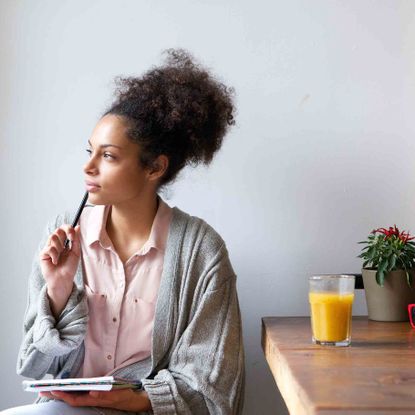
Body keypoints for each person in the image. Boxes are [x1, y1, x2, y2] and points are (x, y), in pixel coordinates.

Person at [3, 48, 245, 415]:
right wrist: (57, 291)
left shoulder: (201, 251)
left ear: (155, 168)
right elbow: (35, 365)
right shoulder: (64, 235)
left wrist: (140, 399)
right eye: (90, 151)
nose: (88, 167)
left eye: (109, 156)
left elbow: (214, 385)